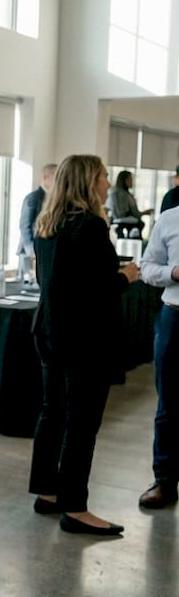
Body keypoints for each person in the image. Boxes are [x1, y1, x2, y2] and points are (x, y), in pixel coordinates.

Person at [29, 155, 141, 535]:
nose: (108, 183)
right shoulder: (91, 226)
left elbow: (53, 283)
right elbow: (98, 290)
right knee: (82, 424)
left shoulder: (46, 224)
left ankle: (48, 492)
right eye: (104, 176)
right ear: (88, 181)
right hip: (84, 341)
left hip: (49, 333)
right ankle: (75, 507)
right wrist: (126, 276)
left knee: (53, 413)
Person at [133, 207, 179, 509]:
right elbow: (147, 267)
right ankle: (164, 482)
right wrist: (173, 273)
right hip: (175, 319)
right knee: (169, 404)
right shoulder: (170, 219)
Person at [17, 163, 57, 259]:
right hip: (30, 251)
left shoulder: (55, 198)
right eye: (56, 177)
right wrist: (31, 250)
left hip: (43, 249)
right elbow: (25, 225)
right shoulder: (33, 198)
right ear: (45, 178)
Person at [107, 169, 152, 237]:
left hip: (114, 218)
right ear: (125, 180)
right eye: (130, 179)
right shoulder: (124, 194)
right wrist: (145, 212)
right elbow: (133, 213)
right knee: (140, 223)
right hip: (123, 218)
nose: (132, 182)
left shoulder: (114, 191)